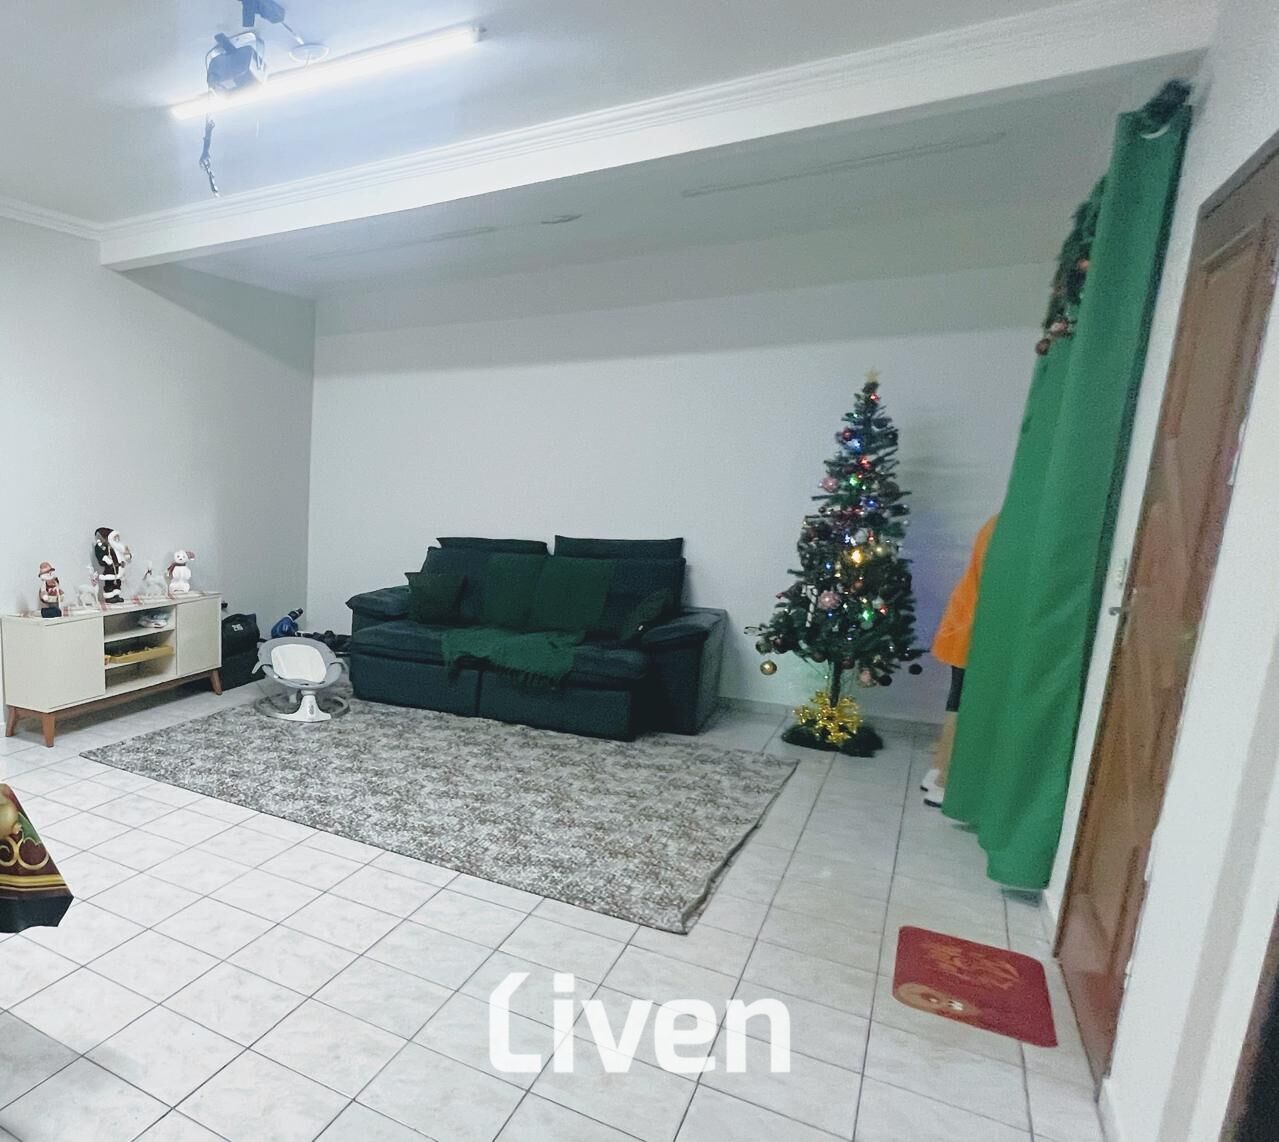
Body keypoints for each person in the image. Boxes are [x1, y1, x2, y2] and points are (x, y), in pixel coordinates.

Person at [924, 515, 997, 807]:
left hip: (965, 620)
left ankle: (939, 769)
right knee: (966, 702)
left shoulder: (996, 524)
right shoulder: (1004, 529)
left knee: (958, 699)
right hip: (973, 624)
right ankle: (945, 781)